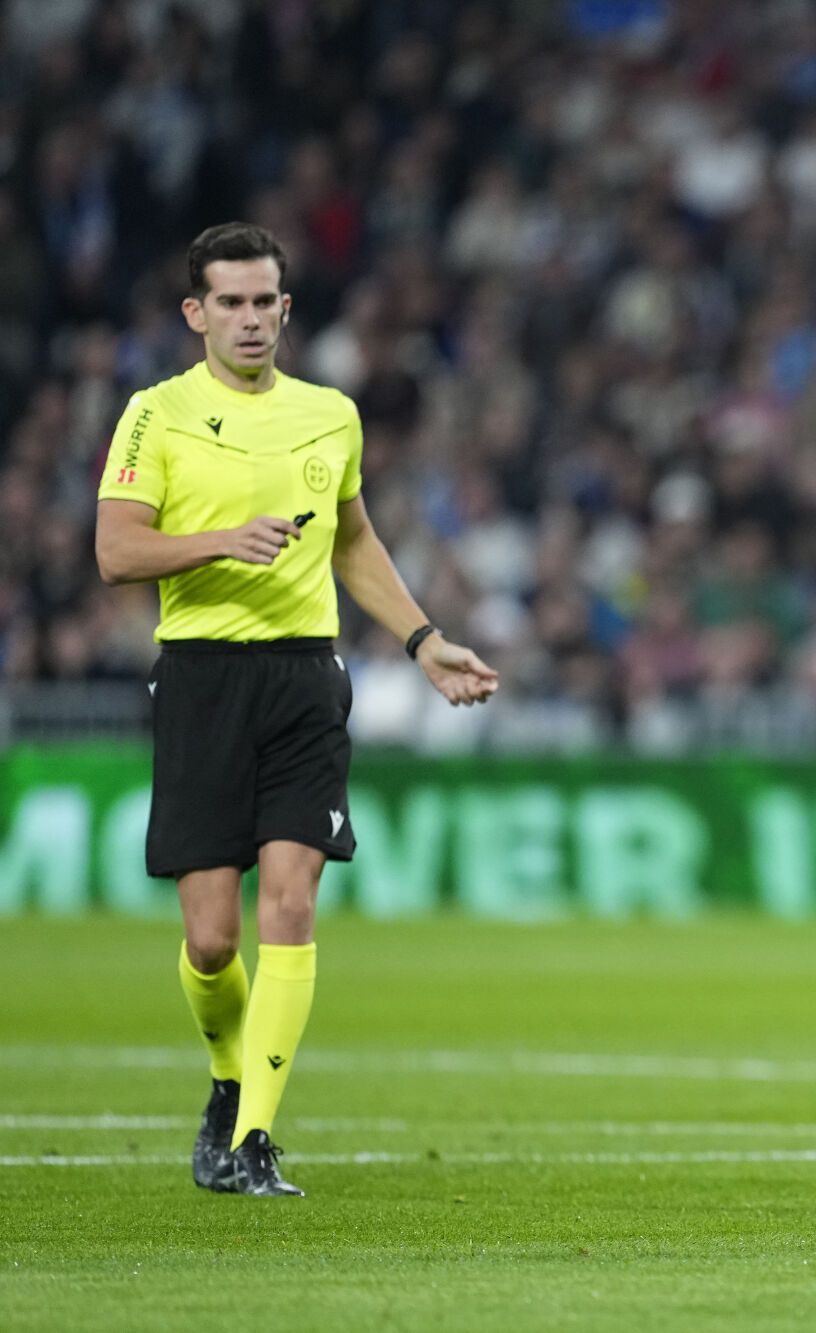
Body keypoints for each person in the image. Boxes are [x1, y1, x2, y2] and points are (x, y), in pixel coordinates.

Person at [93, 222, 499, 1197]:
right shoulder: (156, 414)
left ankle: (255, 1139)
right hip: (201, 677)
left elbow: (353, 540)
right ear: (196, 313)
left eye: (262, 301)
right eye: (228, 302)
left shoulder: (329, 415)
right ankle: (228, 1080)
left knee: (289, 903)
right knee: (210, 940)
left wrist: (423, 639)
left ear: (285, 308)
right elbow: (116, 551)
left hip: (305, 678)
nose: (249, 319)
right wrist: (220, 539)